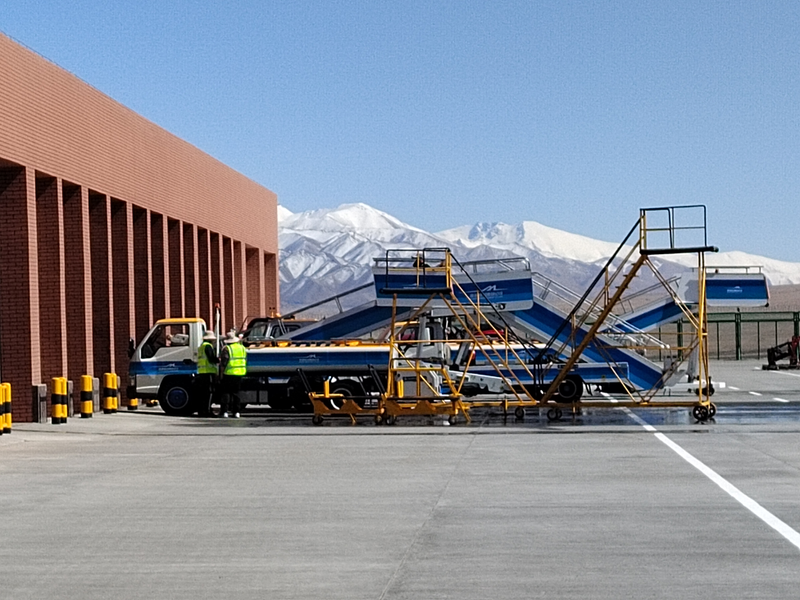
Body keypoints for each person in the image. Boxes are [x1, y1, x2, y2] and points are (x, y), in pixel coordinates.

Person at [218, 330, 247, 418]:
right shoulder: (242, 348)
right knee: (236, 393)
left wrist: (221, 374)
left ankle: (225, 411)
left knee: (226, 393)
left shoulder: (227, 349)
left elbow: (224, 363)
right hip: (240, 373)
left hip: (229, 373)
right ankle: (236, 412)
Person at [195, 330, 219, 417]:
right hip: (208, 372)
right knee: (208, 393)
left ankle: (201, 410)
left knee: (202, 393)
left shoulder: (201, 346)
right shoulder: (208, 346)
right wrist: (218, 360)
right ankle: (207, 411)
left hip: (202, 372)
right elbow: (211, 359)